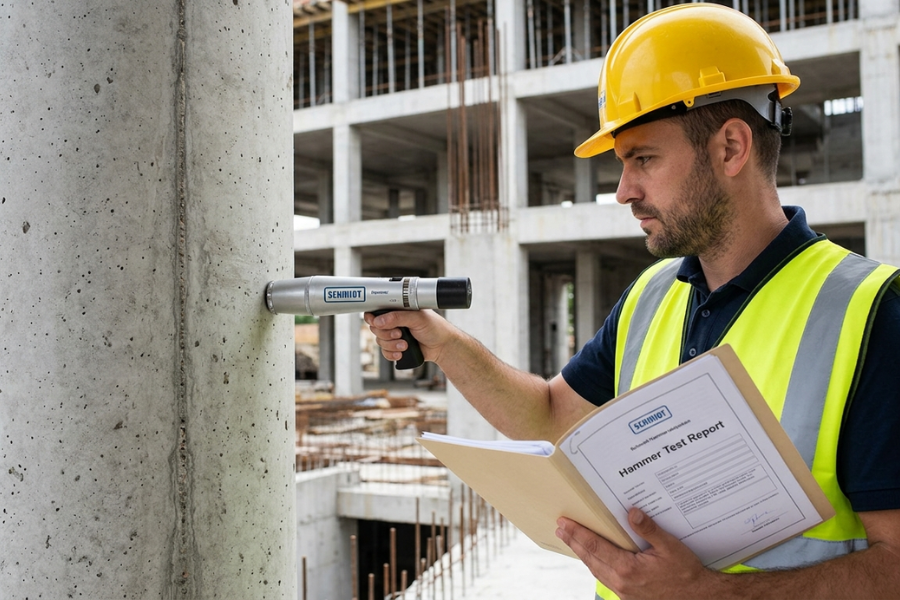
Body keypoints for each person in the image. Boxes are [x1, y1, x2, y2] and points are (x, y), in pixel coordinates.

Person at [366, 4, 900, 598]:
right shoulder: (652, 295)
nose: (623, 191)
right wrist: (444, 344)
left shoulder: (869, 312)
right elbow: (548, 415)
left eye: (642, 158)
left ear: (730, 148)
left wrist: (711, 593)